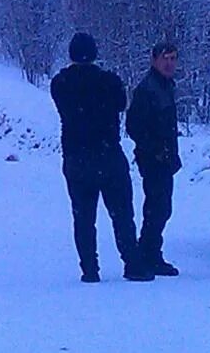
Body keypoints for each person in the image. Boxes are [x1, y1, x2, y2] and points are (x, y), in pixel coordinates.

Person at [51, 33, 154, 283]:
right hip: (108, 154)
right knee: (121, 213)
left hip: (76, 156)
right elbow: (121, 104)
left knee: (83, 216)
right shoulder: (109, 81)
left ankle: (89, 268)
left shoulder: (60, 83)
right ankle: (132, 264)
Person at [126, 41, 182, 277]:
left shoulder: (165, 86)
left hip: (165, 157)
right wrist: (154, 150)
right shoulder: (147, 89)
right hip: (154, 159)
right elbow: (134, 126)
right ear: (154, 60)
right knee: (157, 207)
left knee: (161, 207)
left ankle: (150, 251)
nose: (169, 63)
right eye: (165, 58)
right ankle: (149, 253)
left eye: (173, 58)